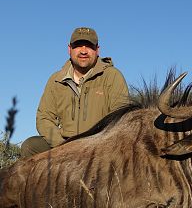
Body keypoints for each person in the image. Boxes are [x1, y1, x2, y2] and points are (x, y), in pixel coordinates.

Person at [21, 27, 129, 157]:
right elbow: (44, 117)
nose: (83, 51)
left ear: (97, 50)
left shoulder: (113, 76)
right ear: (69, 49)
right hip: (64, 144)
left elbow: (121, 119)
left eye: (89, 46)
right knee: (30, 147)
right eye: (78, 45)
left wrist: (97, 144)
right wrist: (63, 145)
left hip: (99, 145)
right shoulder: (56, 79)